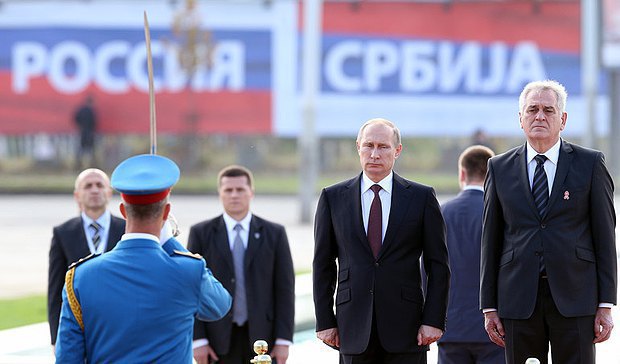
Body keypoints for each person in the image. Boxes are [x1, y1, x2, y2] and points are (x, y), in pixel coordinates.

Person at [480, 80, 617, 364]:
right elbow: (490, 240)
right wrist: (489, 306)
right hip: (518, 298)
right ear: (521, 119)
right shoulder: (499, 168)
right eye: (532, 110)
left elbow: (605, 236)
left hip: (576, 297)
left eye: (548, 110)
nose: (539, 116)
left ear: (563, 119)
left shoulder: (589, 164)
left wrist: (605, 304)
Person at [55, 154, 232, 362]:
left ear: (122, 211)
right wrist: (170, 242)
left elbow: (68, 357)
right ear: (166, 213)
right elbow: (220, 305)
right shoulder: (189, 270)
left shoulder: (81, 276)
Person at [313, 118, 450, 364]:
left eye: (383, 147)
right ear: (358, 147)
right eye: (369, 146)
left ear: (397, 151)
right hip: (352, 328)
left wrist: (433, 320)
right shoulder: (333, 198)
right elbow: (323, 264)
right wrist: (324, 320)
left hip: (407, 330)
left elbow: (438, 265)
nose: (375, 154)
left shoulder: (421, 198)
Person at [188, 165, 295, 364]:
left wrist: (283, 340)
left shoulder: (274, 233)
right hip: (215, 339)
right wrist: (198, 340)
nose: (234, 195)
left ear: (251, 192)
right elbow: (194, 289)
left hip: (264, 339)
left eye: (240, 190)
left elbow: (285, 289)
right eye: (228, 190)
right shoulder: (201, 233)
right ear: (220, 193)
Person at [437, 145, 504, 364]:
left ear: (462, 174)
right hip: (495, 328)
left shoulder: (441, 213)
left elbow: (428, 271)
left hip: (451, 327)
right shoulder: (503, 213)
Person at [47, 168, 125, 347]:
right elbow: (55, 289)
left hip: (119, 327)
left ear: (109, 192)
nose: (94, 190)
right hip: (78, 328)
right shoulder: (63, 233)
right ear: (77, 195)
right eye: (88, 186)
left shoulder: (126, 229)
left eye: (100, 185)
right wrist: (55, 339)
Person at [74, 95, 97, 170]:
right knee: (90, 150)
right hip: (89, 132)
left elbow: (75, 118)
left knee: (81, 150)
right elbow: (94, 122)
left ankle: (78, 164)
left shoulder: (81, 110)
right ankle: (92, 165)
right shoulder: (91, 111)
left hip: (83, 131)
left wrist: (80, 126)